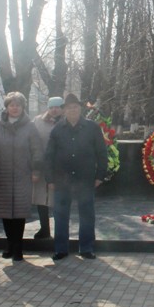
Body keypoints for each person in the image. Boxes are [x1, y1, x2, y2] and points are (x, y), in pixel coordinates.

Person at [45, 93, 108, 261]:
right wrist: (49, 179)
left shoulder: (92, 127)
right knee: (60, 215)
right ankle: (61, 249)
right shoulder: (57, 129)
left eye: (75, 107)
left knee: (87, 214)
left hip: (85, 179)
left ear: (80, 109)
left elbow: (102, 153)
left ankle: (86, 248)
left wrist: (100, 175)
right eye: (69, 108)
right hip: (61, 180)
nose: (72, 110)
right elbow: (49, 155)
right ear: (64, 110)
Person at [0, 91, 42, 261]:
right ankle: (10, 245)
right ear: (7, 107)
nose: (15, 108)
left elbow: (37, 150)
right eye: (12, 105)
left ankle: (18, 248)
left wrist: (35, 170)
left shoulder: (30, 126)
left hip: (22, 175)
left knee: (19, 214)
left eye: (18, 105)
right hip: (0, 176)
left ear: (22, 107)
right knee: (5, 213)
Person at [32, 96, 64, 239]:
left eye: (57, 107)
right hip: (42, 165)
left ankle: (60, 230)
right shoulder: (37, 121)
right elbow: (31, 140)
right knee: (41, 199)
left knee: (59, 200)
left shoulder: (67, 121)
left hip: (60, 168)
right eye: (51, 107)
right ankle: (44, 228)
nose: (54, 110)